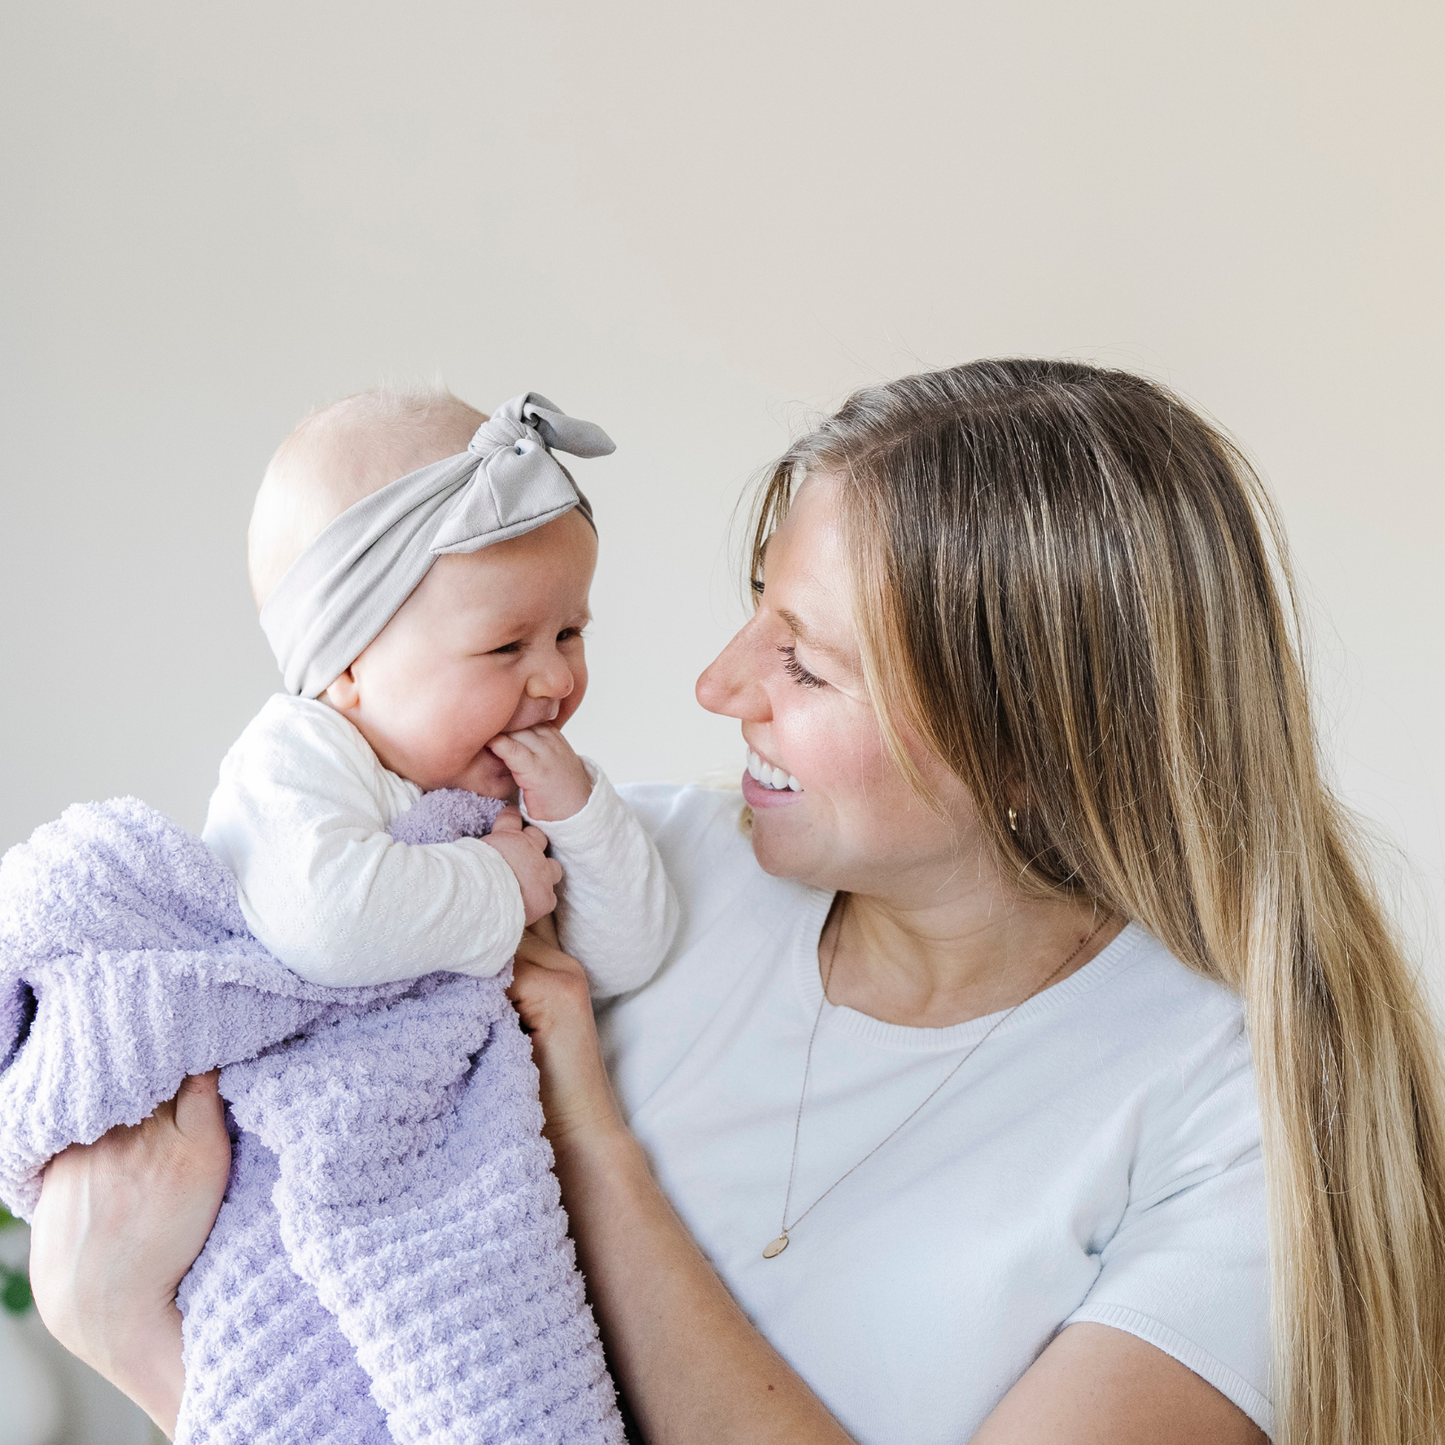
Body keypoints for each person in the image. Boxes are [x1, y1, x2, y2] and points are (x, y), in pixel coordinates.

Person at [31, 360, 1445, 1445]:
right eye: (750, 609)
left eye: (806, 664)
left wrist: (139, 1344)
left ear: (1030, 741)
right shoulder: (601, 867)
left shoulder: (1250, 1123)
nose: (715, 686)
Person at [205, 385, 677, 995]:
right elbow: (325, 922)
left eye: (568, 632)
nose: (558, 679)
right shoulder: (293, 759)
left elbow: (625, 964)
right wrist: (501, 882)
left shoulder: (523, 784)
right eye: (506, 647)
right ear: (347, 664)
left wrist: (581, 818)